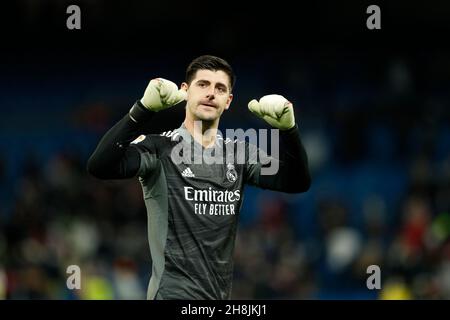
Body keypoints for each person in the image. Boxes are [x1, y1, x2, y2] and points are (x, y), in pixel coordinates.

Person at [87, 55, 311, 300]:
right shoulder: (159, 148)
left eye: (220, 88)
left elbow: (296, 182)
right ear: (185, 91)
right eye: (202, 84)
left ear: (228, 101)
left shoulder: (240, 153)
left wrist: (289, 131)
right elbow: (100, 166)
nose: (211, 93)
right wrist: (142, 110)